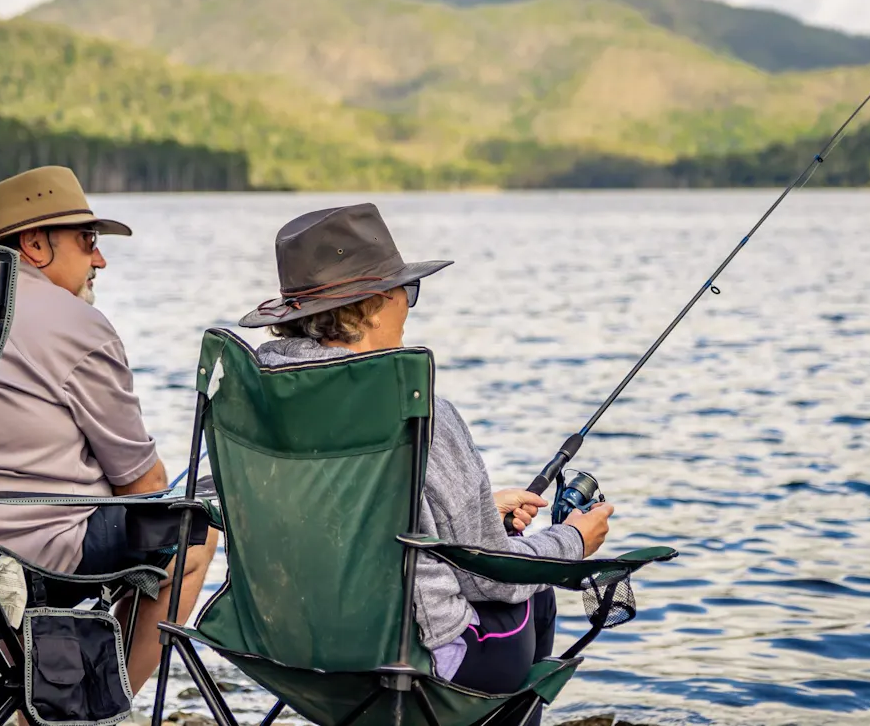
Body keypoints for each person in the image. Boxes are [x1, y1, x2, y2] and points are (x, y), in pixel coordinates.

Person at [239, 203, 613, 716]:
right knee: (536, 590)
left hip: (286, 649)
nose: (408, 306)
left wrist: (460, 510)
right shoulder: (415, 411)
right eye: (406, 291)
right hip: (408, 660)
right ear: (371, 307)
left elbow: (320, 514)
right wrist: (573, 541)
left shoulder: (256, 400)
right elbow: (491, 577)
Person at [0, 165, 217, 695]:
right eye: (88, 241)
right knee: (193, 535)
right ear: (35, 244)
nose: (99, 259)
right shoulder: (76, 324)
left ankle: (38, 700)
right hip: (31, 564)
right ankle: (96, 703)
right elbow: (143, 486)